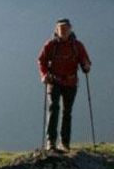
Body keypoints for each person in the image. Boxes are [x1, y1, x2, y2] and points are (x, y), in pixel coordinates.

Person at [37, 17, 91, 152]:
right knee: (54, 108)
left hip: (70, 83)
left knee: (67, 112)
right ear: (57, 30)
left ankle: (64, 143)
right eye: (61, 29)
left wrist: (86, 66)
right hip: (54, 81)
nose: (63, 31)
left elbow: (86, 62)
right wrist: (44, 76)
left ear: (70, 29)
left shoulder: (77, 46)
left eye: (65, 28)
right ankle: (51, 142)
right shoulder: (51, 45)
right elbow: (41, 61)